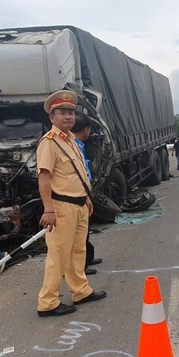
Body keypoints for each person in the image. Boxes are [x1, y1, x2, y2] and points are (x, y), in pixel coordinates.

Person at [36, 89, 106, 317]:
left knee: (78, 250)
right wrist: (48, 209)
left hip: (79, 205)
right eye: (62, 113)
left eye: (71, 113)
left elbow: (76, 173)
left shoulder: (72, 141)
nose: (68, 117)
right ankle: (48, 302)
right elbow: (44, 177)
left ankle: (80, 291)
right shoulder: (50, 143)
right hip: (61, 207)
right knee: (58, 255)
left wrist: (86, 197)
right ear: (52, 117)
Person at [71, 113, 103, 276]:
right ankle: (80, 266)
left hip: (83, 195)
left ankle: (87, 258)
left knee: (84, 230)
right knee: (78, 234)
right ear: (86, 130)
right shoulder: (73, 146)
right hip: (75, 198)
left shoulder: (78, 145)